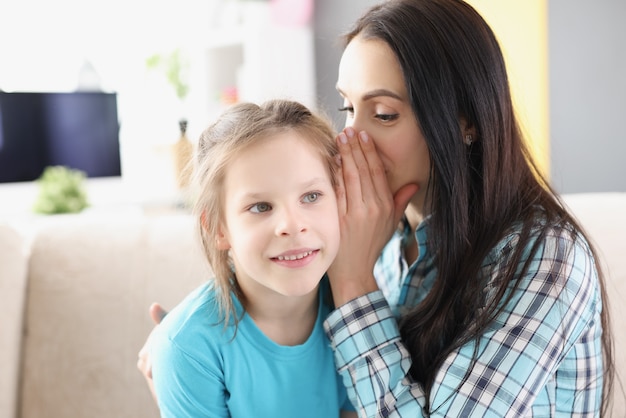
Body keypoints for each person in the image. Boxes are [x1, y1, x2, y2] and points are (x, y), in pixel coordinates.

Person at [139, 0, 615, 416]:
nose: (352, 139)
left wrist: (352, 283)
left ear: (465, 122)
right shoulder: (380, 232)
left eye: (384, 114)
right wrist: (181, 345)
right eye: (348, 109)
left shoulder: (547, 256)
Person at [145, 99, 355, 417]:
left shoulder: (356, 314)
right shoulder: (188, 349)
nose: (292, 225)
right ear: (218, 228)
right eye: (260, 207)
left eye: (311, 196)